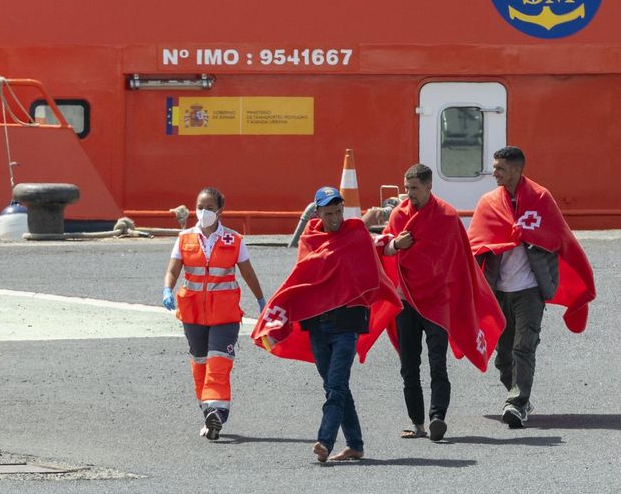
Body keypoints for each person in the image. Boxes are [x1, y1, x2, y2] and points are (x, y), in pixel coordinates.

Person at [251, 187, 401, 462]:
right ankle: (355, 445)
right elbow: (302, 278)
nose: (335, 218)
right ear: (318, 212)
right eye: (329, 213)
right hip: (317, 325)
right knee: (335, 386)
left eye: (338, 212)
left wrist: (394, 245)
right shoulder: (310, 238)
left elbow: (376, 254)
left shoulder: (356, 233)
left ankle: (325, 441)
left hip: (347, 324)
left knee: (336, 385)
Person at [469, 146, 595, 429]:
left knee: (523, 348)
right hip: (499, 291)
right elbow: (475, 243)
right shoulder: (488, 203)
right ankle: (520, 397)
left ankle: (516, 403)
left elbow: (558, 237)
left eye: (500, 168)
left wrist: (527, 235)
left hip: (530, 291)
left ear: (516, 170)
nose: (495, 173)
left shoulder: (540, 198)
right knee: (503, 359)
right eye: (494, 167)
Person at [379, 164, 504, 441]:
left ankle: (437, 418)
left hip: (437, 302)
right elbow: (384, 246)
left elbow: (459, 260)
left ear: (428, 187)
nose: (408, 194)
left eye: (414, 188)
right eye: (406, 187)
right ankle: (418, 424)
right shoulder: (399, 215)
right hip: (406, 300)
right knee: (408, 365)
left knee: (438, 363)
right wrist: (396, 246)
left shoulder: (446, 216)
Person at [162, 187, 266, 440]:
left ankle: (217, 412)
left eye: (209, 207)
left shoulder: (234, 240)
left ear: (220, 210)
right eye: (200, 206)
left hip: (225, 315)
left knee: (219, 364)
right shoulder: (184, 238)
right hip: (193, 314)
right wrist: (167, 288)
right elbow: (173, 269)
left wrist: (262, 300)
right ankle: (208, 412)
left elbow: (248, 273)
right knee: (199, 364)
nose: (203, 211)